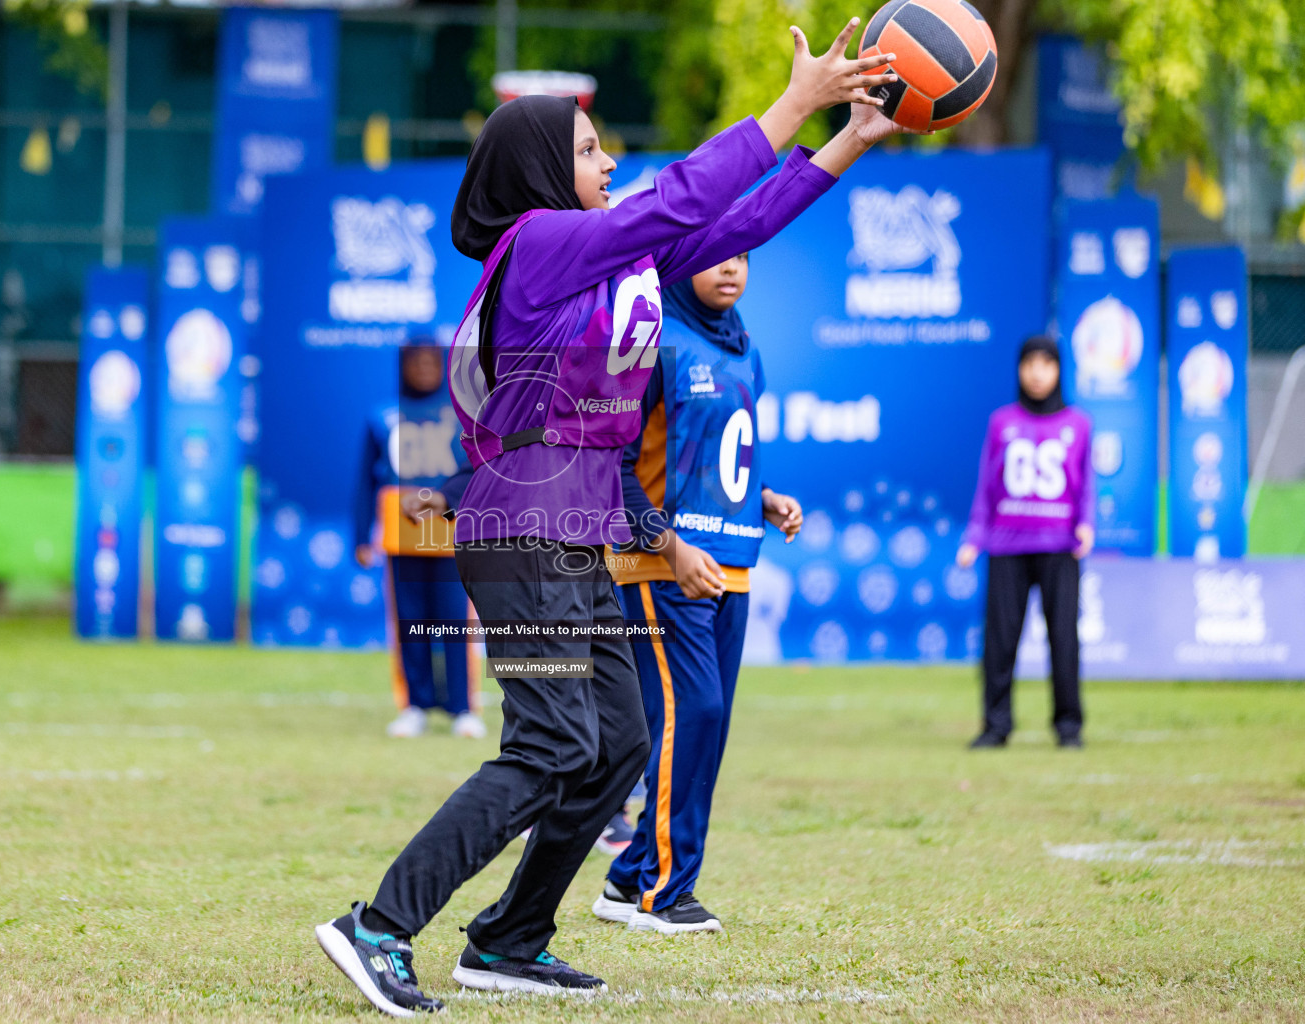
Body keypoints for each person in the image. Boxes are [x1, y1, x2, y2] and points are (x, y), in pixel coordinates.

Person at [315, 19, 911, 1016]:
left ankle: (507, 940)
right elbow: (686, 195)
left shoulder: (602, 268)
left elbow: (736, 223)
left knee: (621, 740)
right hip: (522, 537)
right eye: (591, 148)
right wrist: (792, 103)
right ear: (546, 168)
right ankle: (377, 926)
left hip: (572, 535)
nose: (613, 159)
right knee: (550, 745)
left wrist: (847, 136)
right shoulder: (542, 244)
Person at [593, 252, 805, 937]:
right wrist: (666, 544)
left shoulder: (747, 351)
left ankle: (627, 881)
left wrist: (764, 500)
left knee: (701, 728)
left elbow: (723, 456)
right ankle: (665, 892)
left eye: (742, 255)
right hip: (662, 567)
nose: (731, 267)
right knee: (695, 713)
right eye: (715, 254)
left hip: (732, 563)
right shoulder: (654, 345)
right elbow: (613, 468)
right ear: (681, 265)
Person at [956, 336, 1094, 750]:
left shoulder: (1078, 424)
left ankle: (1068, 727)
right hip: (1007, 547)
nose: (1037, 373)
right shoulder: (1002, 422)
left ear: (1058, 370)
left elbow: (1086, 484)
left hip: (1058, 546)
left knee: (1064, 638)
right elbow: (987, 485)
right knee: (999, 640)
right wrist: (974, 537)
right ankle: (996, 725)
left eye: (1046, 364)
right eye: (1029, 364)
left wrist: (1086, 524)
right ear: (1019, 370)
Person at [354, 341, 485, 740]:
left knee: (455, 622)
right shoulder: (382, 415)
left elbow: (475, 473)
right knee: (410, 622)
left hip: (450, 534)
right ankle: (414, 704)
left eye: (432, 362)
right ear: (402, 366)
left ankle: (463, 707)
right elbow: (364, 482)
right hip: (400, 535)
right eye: (416, 362)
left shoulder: (463, 413)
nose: (424, 369)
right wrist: (361, 536)